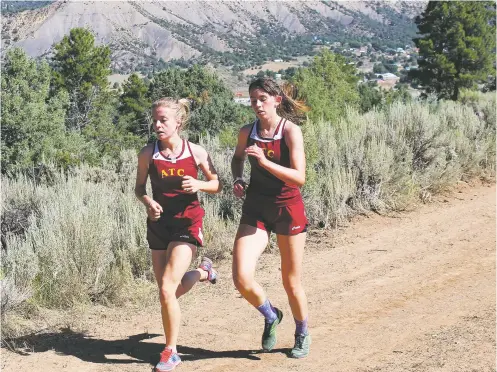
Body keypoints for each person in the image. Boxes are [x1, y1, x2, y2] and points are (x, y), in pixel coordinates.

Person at [135, 98, 222, 371]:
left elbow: (216, 184)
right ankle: (203, 273)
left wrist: (199, 183)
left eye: (163, 120)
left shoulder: (195, 152)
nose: (158, 125)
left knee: (166, 289)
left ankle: (170, 351)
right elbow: (139, 188)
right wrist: (148, 203)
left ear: (178, 123)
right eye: (155, 120)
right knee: (165, 291)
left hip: (187, 223)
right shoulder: (148, 153)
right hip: (159, 225)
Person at [231, 77, 311, 358]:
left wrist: (265, 162)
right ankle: (271, 314)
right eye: (253, 100)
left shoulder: (290, 132)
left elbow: (299, 177)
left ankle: (302, 332)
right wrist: (238, 177)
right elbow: (238, 158)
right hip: (256, 208)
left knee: (290, 281)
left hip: (288, 209)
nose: (257, 105)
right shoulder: (247, 131)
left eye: (262, 99)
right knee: (241, 276)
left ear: (277, 100)